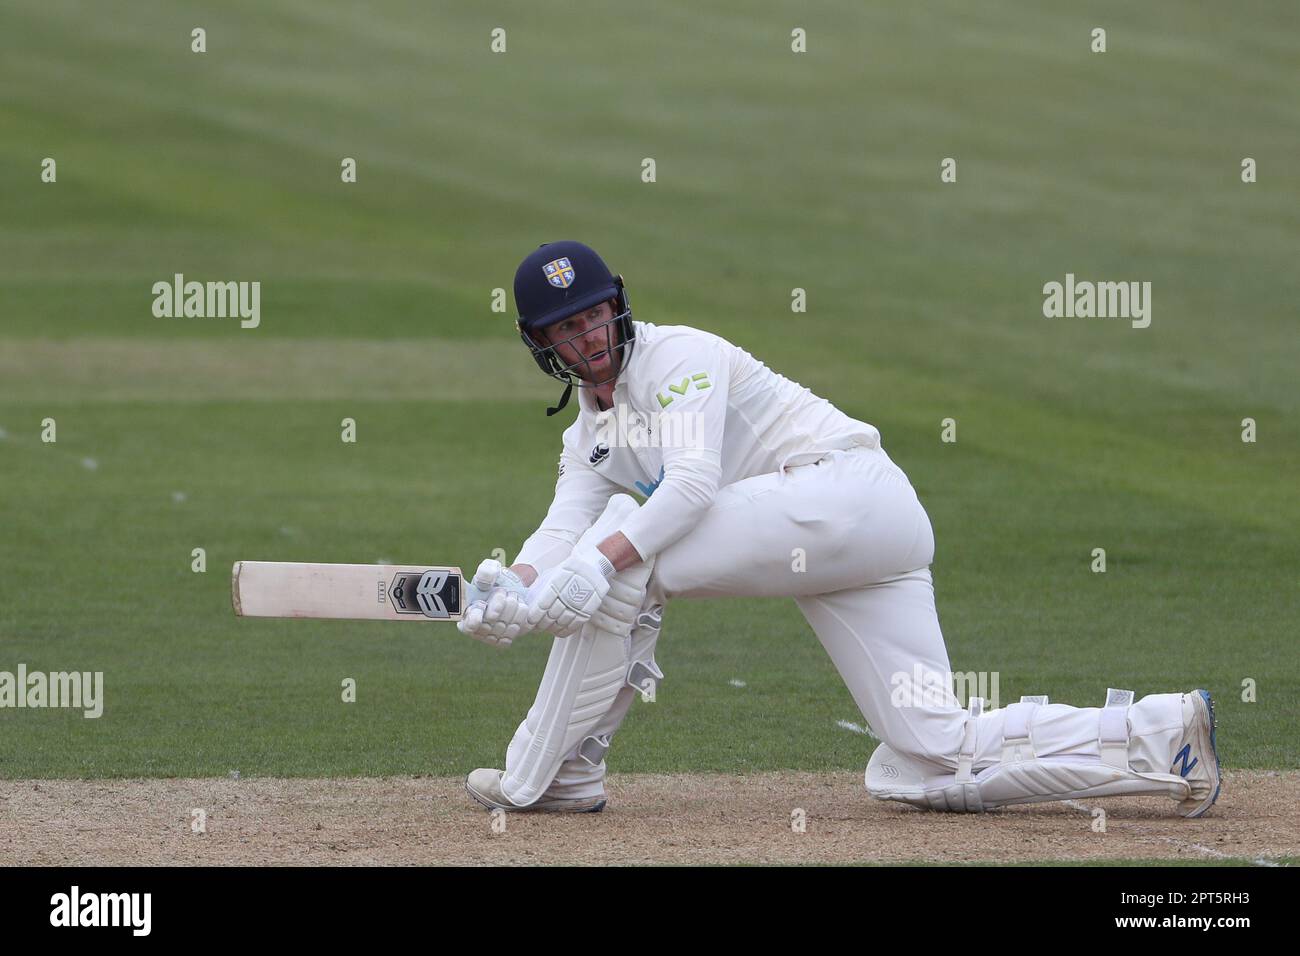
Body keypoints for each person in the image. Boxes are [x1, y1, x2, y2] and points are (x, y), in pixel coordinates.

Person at [456, 240, 1221, 817]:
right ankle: (1166, 733)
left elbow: (688, 487)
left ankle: (556, 773)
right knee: (930, 753)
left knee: (625, 561)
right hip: (853, 545)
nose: (588, 336)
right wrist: (513, 585)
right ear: (541, 344)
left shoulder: (679, 356)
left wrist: (592, 566)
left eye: (593, 314)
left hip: (844, 494)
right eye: (567, 327)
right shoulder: (587, 435)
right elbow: (564, 527)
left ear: (616, 306)